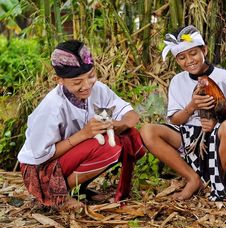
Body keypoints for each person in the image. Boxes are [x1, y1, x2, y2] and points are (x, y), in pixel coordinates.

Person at [17, 40, 146, 209]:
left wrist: (118, 124)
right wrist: (84, 134)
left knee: (131, 137)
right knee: (107, 145)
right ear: (59, 80)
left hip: (70, 155)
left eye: (91, 76)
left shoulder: (98, 89)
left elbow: (131, 115)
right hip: (40, 168)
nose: (86, 86)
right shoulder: (51, 106)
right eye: (77, 82)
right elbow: (42, 156)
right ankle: (57, 195)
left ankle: (78, 189)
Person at [140, 25, 226, 201]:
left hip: (221, 132)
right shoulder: (178, 81)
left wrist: (218, 122)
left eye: (193, 53)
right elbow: (176, 120)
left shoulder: (224, 76)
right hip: (190, 136)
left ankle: (212, 181)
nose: (189, 60)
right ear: (177, 61)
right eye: (181, 57)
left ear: (204, 50)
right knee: (147, 130)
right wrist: (191, 106)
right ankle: (193, 179)